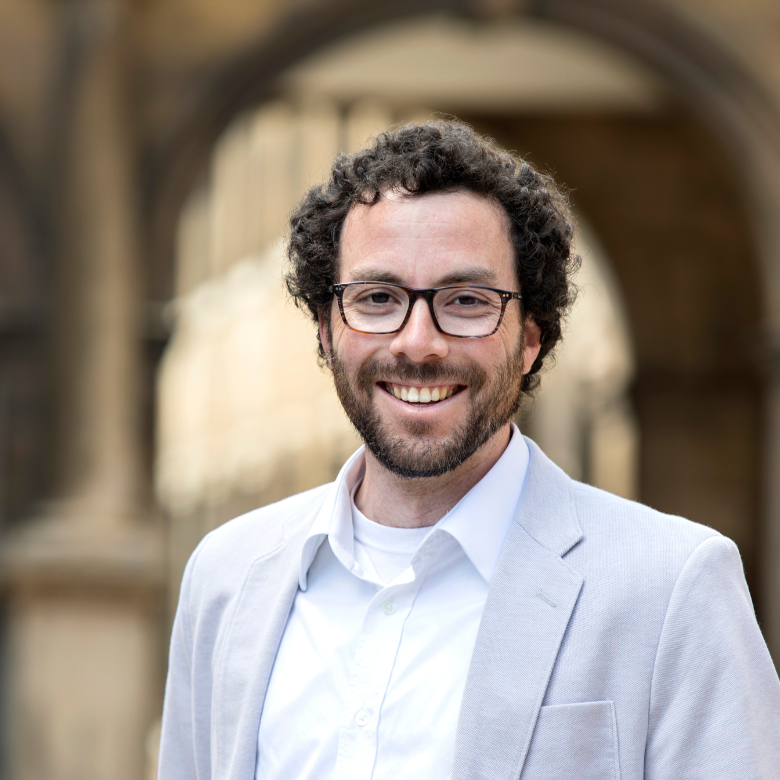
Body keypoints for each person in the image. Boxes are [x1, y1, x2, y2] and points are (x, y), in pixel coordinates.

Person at [158, 121, 780, 780]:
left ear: (532, 337)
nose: (418, 343)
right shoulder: (226, 577)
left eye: (466, 301)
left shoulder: (673, 585)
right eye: (377, 298)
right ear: (326, 329)